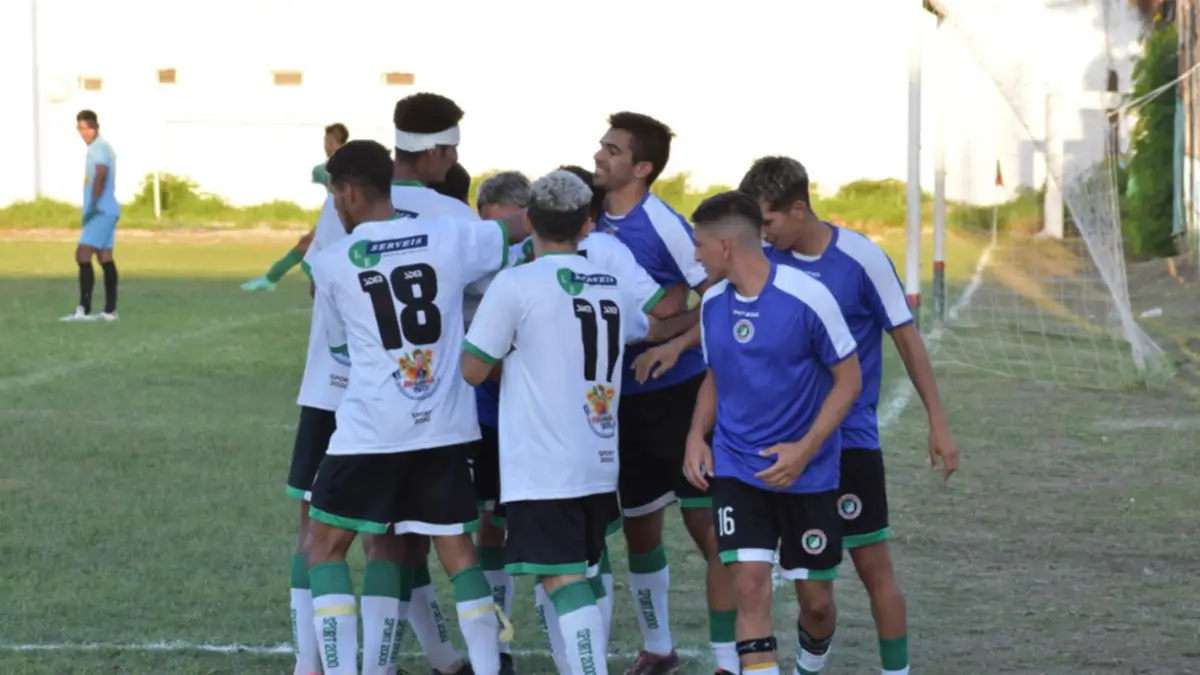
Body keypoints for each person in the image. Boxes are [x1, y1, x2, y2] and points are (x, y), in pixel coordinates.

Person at [305, 139, 530, 675]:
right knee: (458, 551)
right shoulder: (448, 236)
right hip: (443, 427)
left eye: (334, 194)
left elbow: (339, 347)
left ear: (350, 192)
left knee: (324, 547)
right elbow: (517, 227)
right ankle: (487, 667)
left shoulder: (333, 263)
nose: (335, 204)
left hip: (370, 430)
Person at [738, 156, 959, 675]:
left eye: (768, 221)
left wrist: (938, 421)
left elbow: (906, 337)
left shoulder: (860, 259)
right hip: (781, 447)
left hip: (848, 444)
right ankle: (809, 666)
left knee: (875, 571)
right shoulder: (765, 261)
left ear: (798, 210)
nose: (762, 233)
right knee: (813, 598)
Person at [471, 167, 689, 674]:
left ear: (529, 221)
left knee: (562, 579)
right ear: (586, 225)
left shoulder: (515, 282)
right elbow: (648, 325)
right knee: (585, 571)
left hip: (544, 460)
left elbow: (472, 368)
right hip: (598, 453)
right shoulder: (609, 282)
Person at [684, 191, 861, 675]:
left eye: (699, 245)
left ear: (725, 246)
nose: (695, 256)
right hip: (737, 467)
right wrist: (696, 436)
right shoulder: (713, 303)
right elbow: (716, 376)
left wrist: (803, 450)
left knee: (817, 603)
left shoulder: (807, 297)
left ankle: (809, 665)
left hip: (807, 474)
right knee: (748, 586)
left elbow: (850, 380)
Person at [592, 112, 737, 675]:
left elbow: (721, 292)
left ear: (642, 168)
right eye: (602, 145)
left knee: (707, 528)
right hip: (617, 401)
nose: (600, 155)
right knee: (639, 527)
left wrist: (673, 345)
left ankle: (728, 659)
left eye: (614, 150)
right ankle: (658, 647)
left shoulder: (662, 223)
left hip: (678, 396)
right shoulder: (588, 218)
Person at [243, 123, 349, 292]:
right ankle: (272, 278)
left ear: (334, 140)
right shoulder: (326, 168)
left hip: (342, 216)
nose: (325, 145)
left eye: (327, 140)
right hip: (334, 214)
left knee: (310, 246)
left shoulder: (345, 165)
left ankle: (276, 279)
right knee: (308, 244)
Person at [63, 109, 120, 322]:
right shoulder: (101, 147)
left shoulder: (99, 148)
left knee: (82, 255)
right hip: (107, 211)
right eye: (80, 129)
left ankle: (84, 310)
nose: (84, 133)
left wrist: (94, 202)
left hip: (101, 211)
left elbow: (101, 173)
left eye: (87, 128)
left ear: (96, 127)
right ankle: (109, 311)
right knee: (105, 257)